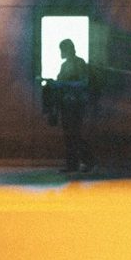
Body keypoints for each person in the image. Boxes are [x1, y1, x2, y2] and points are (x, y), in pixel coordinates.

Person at [52, 38, 95, 173]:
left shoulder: (79, 63)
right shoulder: (65, 65)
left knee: (74, 134)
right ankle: (73, 164)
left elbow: (84, 82)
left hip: (75, 103)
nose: (60, 53)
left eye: (62, 50)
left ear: (67, 49)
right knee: (69, 134)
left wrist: (62, 84)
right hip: (67, 103)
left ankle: (87, 161)